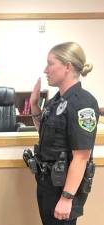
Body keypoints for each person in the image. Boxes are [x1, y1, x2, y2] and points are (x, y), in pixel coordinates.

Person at [29, 42, 99, 225]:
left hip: (63, 188)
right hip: (47, 184)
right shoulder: (57, 100)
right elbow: (45, 133)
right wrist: (35, 105)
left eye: (50, 63)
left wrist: (67, 198)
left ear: (67, 66)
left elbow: (82, 157)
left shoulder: (83, 102)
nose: (46, 70)